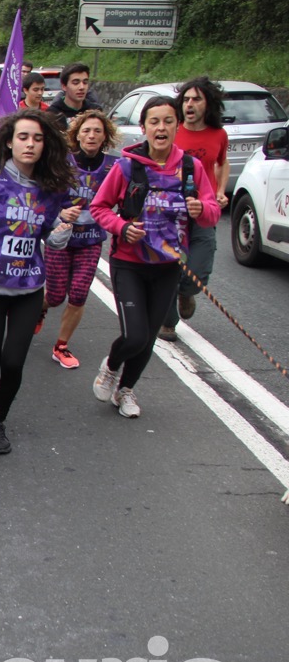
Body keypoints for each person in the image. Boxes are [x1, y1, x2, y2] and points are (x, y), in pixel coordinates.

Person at [89, 96, 221, 418]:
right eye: (154, 121)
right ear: (144, 127)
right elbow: (99, 207)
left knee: (148, 338)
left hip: (168, 266)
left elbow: (212, 213)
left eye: (168, 121)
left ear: (177, 126)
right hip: (129, 264)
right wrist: (122, 227)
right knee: (134, 335)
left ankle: (125, 390)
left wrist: (200, 208)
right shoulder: (126, 167)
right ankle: (111, 366)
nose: (161, 128)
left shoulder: (190, 168)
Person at [0, 109, 75, 454]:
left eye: (37, 138)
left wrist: (62, 233)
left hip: (28, 289)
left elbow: (50, 236)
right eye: (23, 137)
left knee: (14, 363)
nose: (30, 144)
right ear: (9, 142)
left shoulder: (51, 189)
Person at [40, 110, 119, 369]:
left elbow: (126, 196)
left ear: (105, 136)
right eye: (86, 130)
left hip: (91, 240)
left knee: (78, 294)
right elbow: (44, 197)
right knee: (55, 296)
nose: (91, 135)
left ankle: (61, 346)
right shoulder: (62, 162)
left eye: (97, 131)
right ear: (77, 135)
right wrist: (61, 213)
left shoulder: (114, 166)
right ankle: (39, 309)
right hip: (61, 238)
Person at [160, 76, 230, 341]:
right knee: (168, 265)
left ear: (208, 104)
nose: (189, 104)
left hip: (203, 210)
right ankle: (167, 322)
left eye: (196, 99)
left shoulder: (218, 134)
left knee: (197, 269)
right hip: (170, 211)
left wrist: (220, 191)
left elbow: (221, 163)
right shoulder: (172, 130)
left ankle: (187, 292)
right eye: (186, 99)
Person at [48, 63, 101, 130]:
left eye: (85, 82)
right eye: (76, 83)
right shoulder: (53, 113)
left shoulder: (95, 110)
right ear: (64, 86)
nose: (82, 87)